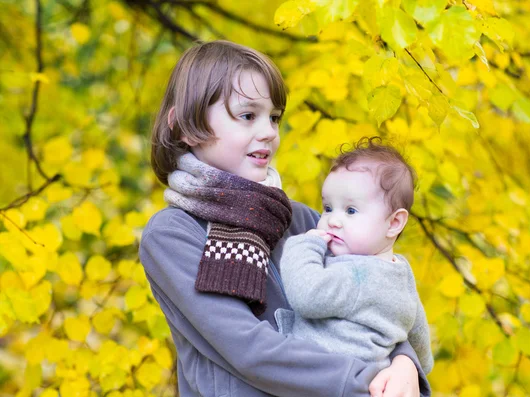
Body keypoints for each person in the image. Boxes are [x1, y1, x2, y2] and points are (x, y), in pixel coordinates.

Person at [138, 40, 431, 397]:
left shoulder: (304, 221)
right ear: (185, 126)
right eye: (248, 115)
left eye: (274, 117)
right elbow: (247, 349)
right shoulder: (173, 234)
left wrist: (404, 363)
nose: (268, 132)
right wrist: (366, 381)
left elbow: (372, 302)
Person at [278, 137, 433, 375]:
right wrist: (414, 367)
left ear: (394, 223)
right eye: (328, 208)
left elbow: (307, 294)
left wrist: (303, 245)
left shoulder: (358, 275)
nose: (333, 220)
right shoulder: (401, 273)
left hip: (325, 381)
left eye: (351, 210)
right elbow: (419, 335)